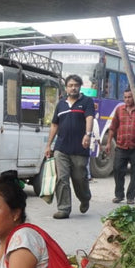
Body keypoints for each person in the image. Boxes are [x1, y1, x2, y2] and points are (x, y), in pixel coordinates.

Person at [44, 74, 94, 219]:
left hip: (80, 148)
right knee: (62, 178)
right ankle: (64, 208)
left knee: (80, 178)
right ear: (66, 88)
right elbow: (54, 125)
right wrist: (49, 145)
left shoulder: (86, 101)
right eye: (70, 85)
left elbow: (89, 118)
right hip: (61, 148)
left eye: (76, 85)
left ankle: (85, 198)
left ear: (79, 87)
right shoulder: (60, 104)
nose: (73, 88)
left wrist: (88, 134)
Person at [103, 88, 135, 204]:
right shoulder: (119, 110)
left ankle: (130, 197)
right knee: (117, 169)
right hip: (121, 146)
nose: (127, 99)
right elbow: (113, 128)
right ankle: (119, 195)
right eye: (125, 97)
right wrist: (108, 143)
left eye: (130, 97)